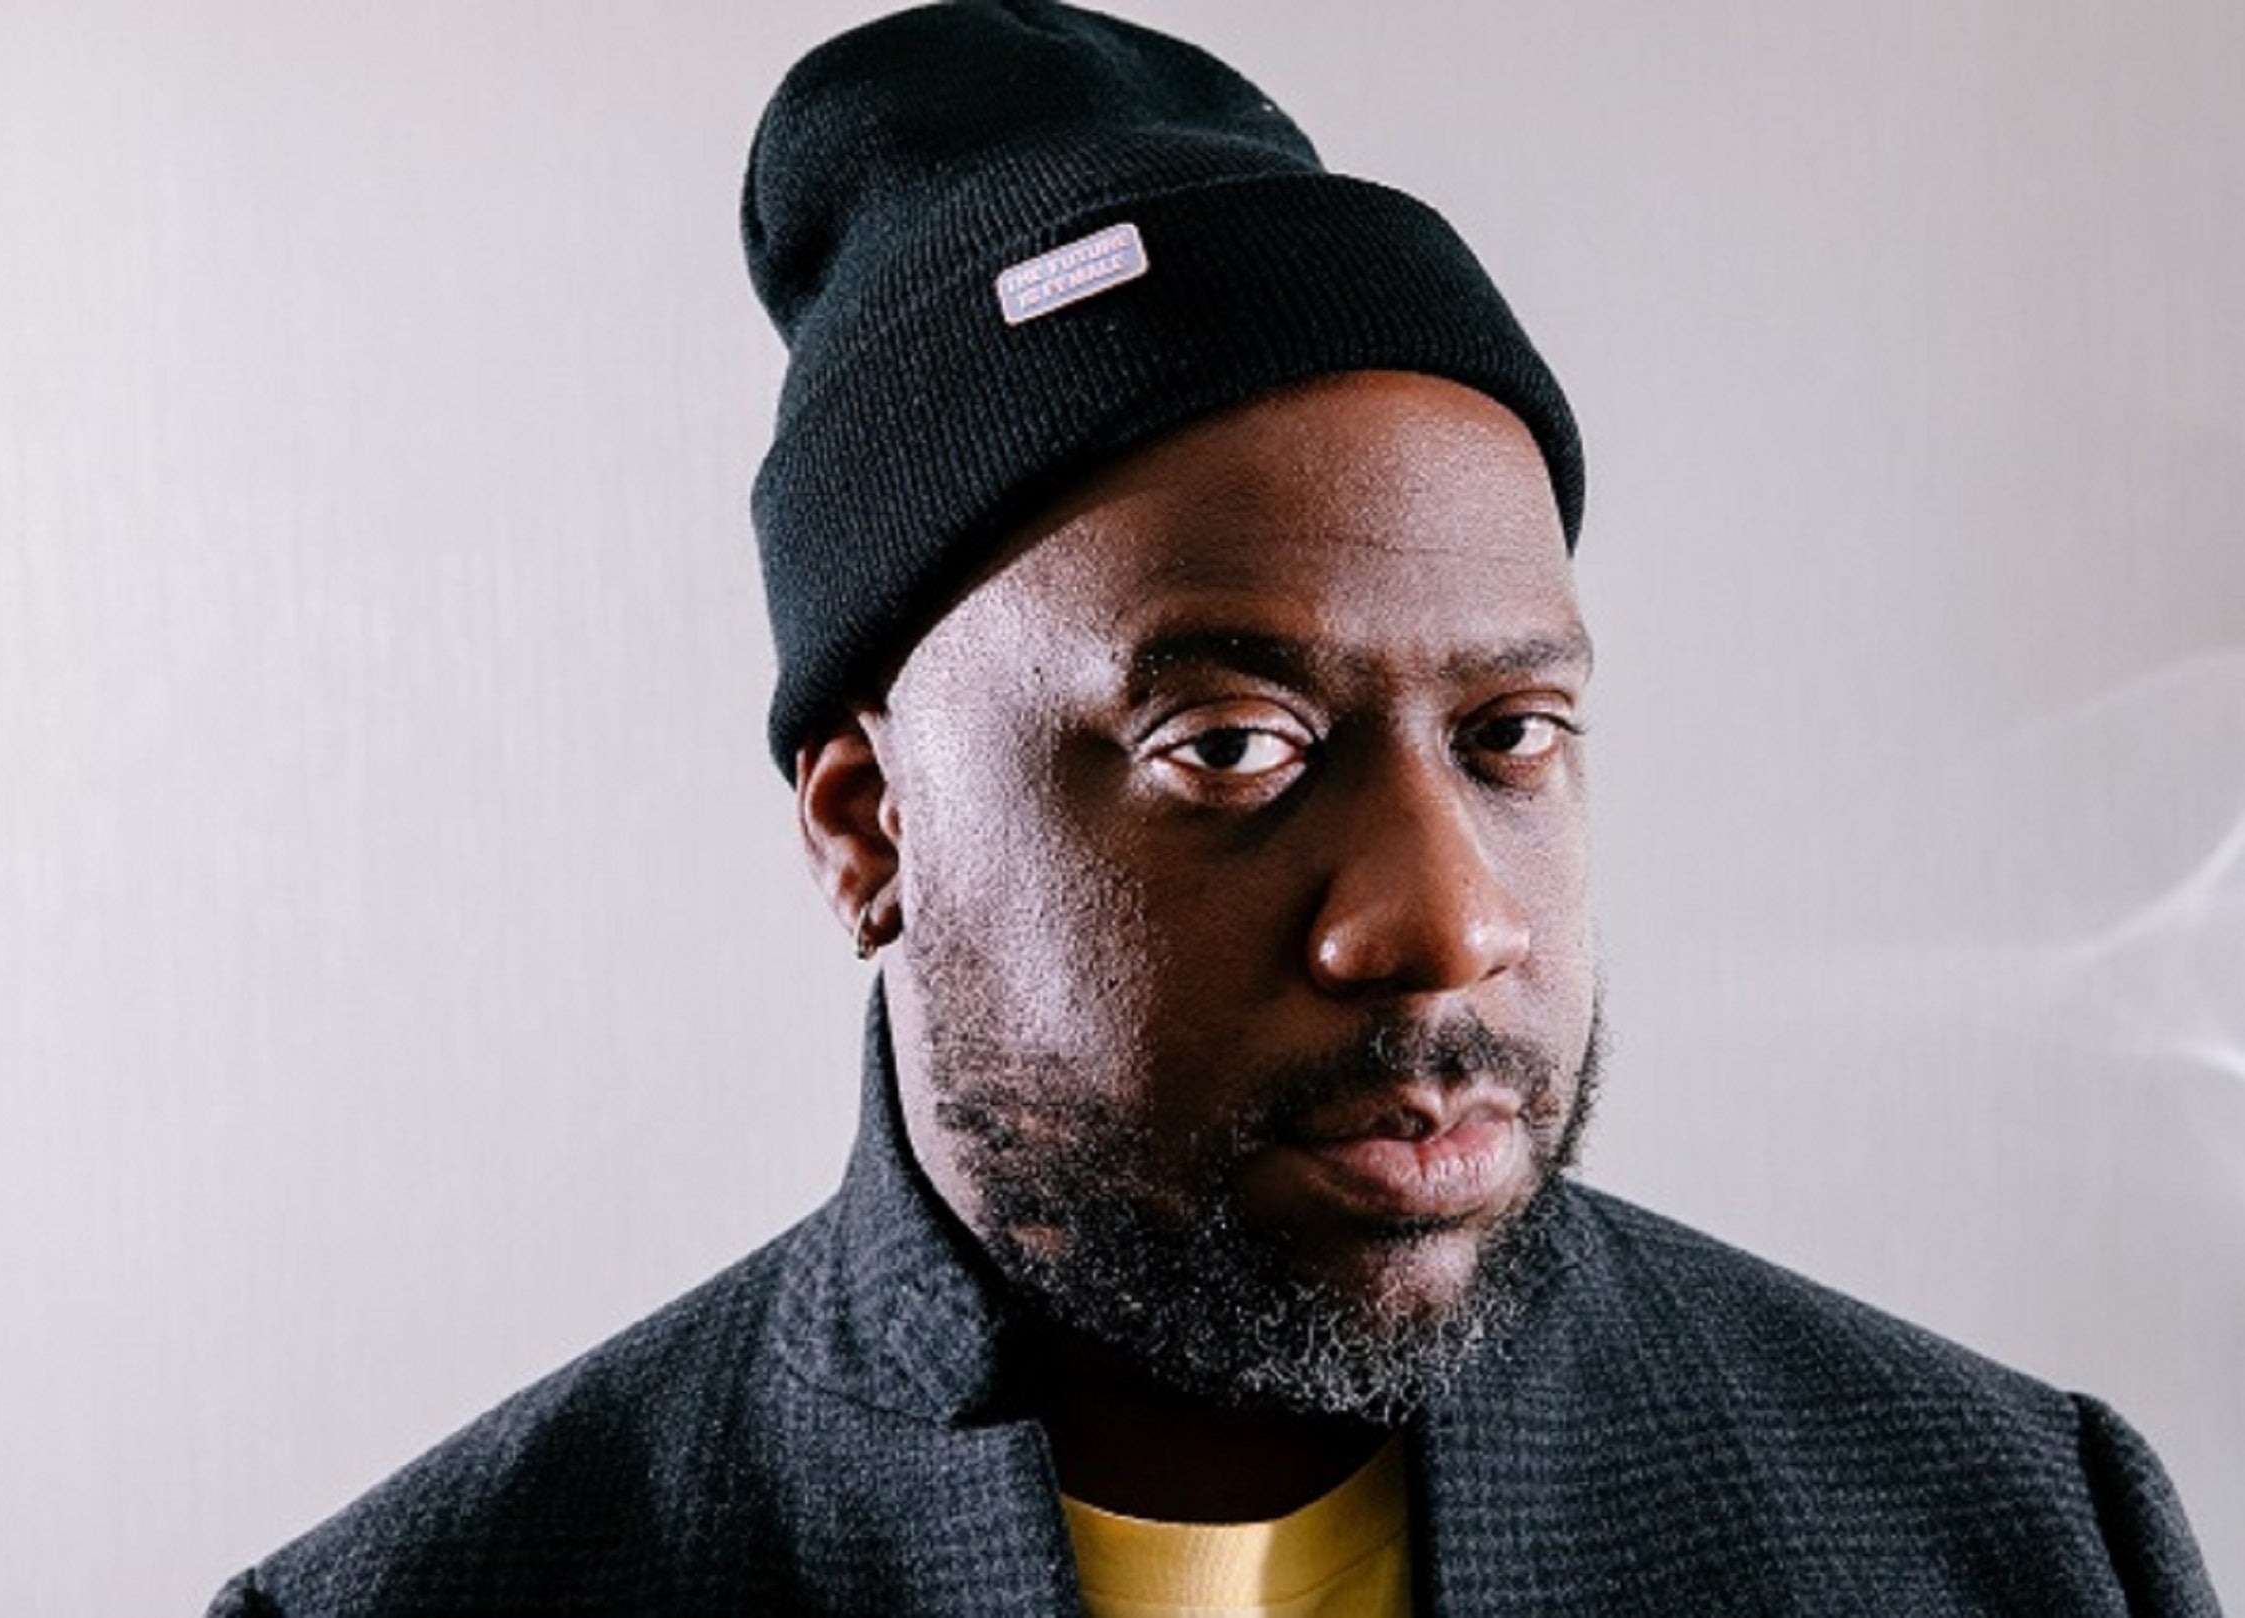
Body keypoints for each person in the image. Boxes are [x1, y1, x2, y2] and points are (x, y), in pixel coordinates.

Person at [209, 2, 2221, 1613]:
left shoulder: (2011, 1536)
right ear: (870, 824)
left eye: (1509, 733)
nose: (1445, 920)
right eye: (1232, 746)